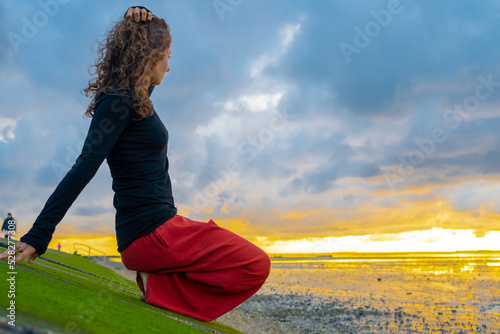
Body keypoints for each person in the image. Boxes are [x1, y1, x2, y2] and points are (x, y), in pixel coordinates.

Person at [0, 6, 270, 322]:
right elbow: (85, 165)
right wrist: (38, 235)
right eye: (167, 55)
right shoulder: (118, 101)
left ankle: (156, 281)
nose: (170, 66)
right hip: (153, 232)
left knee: (246, 262)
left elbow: (141, 85)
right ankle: (157, 285)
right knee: (256, 264)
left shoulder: (135, 97)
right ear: (150, 56)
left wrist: (146, 21)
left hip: (153, 231)